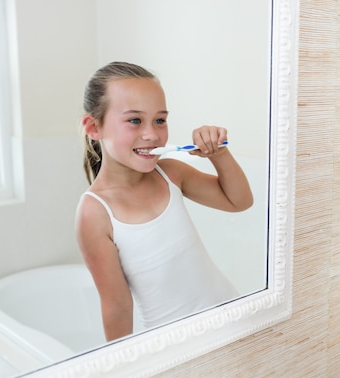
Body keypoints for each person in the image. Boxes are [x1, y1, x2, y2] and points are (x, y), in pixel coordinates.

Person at [75, 62, 253, 342]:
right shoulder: (95, 213)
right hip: (176, 347)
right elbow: (117, 308)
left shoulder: (170, 173)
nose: (152, 134)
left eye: (160, 120)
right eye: (135, 120)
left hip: (234, 318)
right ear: (94, 127)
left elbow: (239, 201)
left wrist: (218, 155)